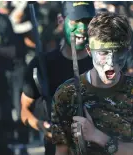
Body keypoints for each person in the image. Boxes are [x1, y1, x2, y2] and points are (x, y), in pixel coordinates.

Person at [51, 12, 133, 155]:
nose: (111, 62)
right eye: (103, 53)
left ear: (128, 52)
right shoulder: (66, 94)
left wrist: (97, 136)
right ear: (89, 50)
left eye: (118, 52)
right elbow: (61, 151)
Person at [20, 2, 95, 155]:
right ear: (61, 20)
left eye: (87, 21)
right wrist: (41, 126)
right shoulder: (43, 65)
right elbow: (25, 111)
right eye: (75, 21)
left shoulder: (104, 64)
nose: (82, 28)